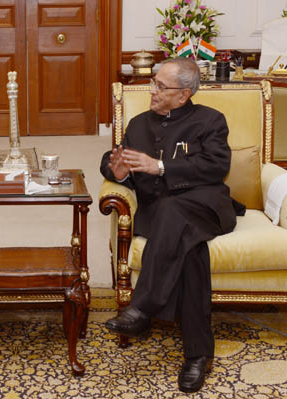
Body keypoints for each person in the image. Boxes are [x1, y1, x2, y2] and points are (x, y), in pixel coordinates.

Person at [100, 57, 244, 393]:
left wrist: (160, 167)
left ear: (183, 95)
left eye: (160, 86)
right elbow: (116, 165)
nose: (151, 89)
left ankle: (143, 308)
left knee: (174, 212)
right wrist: (118, 171)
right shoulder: (137, 124)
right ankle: (198, 355)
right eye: (153, 82)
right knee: (190, 249)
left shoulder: (210, 121)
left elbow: (215, 166)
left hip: (206, 207)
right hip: (164, 218)